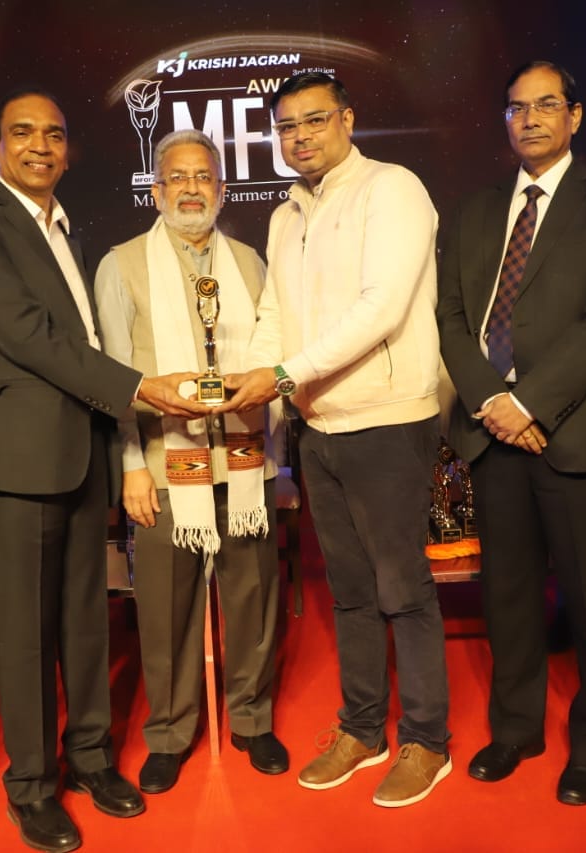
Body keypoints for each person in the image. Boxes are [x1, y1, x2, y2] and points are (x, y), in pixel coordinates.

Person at [0, 88, 210, 853]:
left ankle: (90, 757)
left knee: (87, 620)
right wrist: (137, 387)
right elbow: (26, 334)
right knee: (27, 631)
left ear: (67, 149)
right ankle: (31, 786)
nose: (40, 146)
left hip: (81, 451)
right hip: (18, 458)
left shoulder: (65, 227)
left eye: (54, 135)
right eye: (22, 133)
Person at [221, 71, 451, 808]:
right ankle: (362, 728)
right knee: (349, 592)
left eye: (314, 120)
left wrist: (283, 374)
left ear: (347, 120)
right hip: (317, 425)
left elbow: (381, 308)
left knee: (402, 588)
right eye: (286, 126)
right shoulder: (286, 213)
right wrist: (258, 377)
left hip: (388, 418)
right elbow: (274, 312)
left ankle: (427, 740)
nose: (299, 137)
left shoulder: (392, 188)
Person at [437, 60, 586, 807]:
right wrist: (493, 401)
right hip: (492, 436)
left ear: (575, 116)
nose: (528, 118)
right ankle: (516, 728)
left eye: (545, 104)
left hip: (575, 433)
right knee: (509, 594)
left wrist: (528, 404)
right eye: (516, 107)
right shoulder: (474, 209)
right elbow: (452, 319)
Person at [94, 128, 287, 793]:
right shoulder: (121, 265)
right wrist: (130, 465)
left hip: (242, 457)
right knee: (166, 607)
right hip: (161, 461)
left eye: (203, 176)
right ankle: (171, 732)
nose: (190, 189)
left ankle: (252, 719)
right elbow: (114, 375)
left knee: (253, 595)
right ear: (155, 191)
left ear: (223, 189)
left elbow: (270, 357)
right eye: (176, 177)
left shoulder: (250, 262)